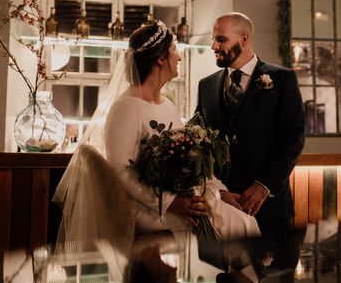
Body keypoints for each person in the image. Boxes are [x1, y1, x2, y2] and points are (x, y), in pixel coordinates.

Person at [53, 20, 260, 250]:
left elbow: (191, 159)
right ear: (160, 59)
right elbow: (118, 170)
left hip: (173, 197)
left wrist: (219, 192)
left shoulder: (167, 106)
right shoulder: (126, 108)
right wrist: (174, 204)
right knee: (237, 226)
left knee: (245, 222)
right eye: (174, 51)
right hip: (144, 207)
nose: (179, 57)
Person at [195, 12, 305, 237]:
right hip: (220, 209)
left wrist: (264, 186)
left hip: (270, 208)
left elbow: (293, 139)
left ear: (244, 40)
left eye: (221, 39)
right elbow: (199, 143)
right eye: (213, 40)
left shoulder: (283, 79)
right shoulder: (206, 86)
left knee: (275, 271)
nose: (214, 46)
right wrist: (218, 192)